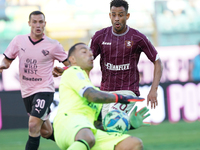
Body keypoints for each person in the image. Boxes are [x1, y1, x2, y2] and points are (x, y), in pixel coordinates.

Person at [53, 0, 163, 120]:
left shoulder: (138, 38)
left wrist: (154, 89)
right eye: (113, 14)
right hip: (105, 93)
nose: (116, 18)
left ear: (127, 16)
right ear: (110, 15)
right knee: (105, 127)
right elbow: (84, 61)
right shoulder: (100, 36)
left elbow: (157, 61)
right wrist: (66, 69)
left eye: (120, 15)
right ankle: (130, 125)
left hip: (128, 91)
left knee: (112, 120)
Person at [53, 42, 150, 150]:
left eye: (90, 52)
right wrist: (120, 98)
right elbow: (92, 96)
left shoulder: (95, 90)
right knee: (87, 136)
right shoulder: (73, 71)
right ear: (72, 59)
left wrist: (128, 124)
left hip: (89, 130)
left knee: (133, 144)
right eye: (84, 52)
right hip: (67, 123)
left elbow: (99, 125)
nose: (90, 54)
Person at [0, 11, 68, 150]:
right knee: (46, 132)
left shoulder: (53, 45)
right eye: (35, 22)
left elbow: (72, 63)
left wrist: (63, 69)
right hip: (26, 92)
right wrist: (2, 65)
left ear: (45, 24)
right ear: (29, 23)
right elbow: (6, 62)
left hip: (44, 90)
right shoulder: (19, 40)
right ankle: (75, 143)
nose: (38, 25)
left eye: (40, 22)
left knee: (32, 125)